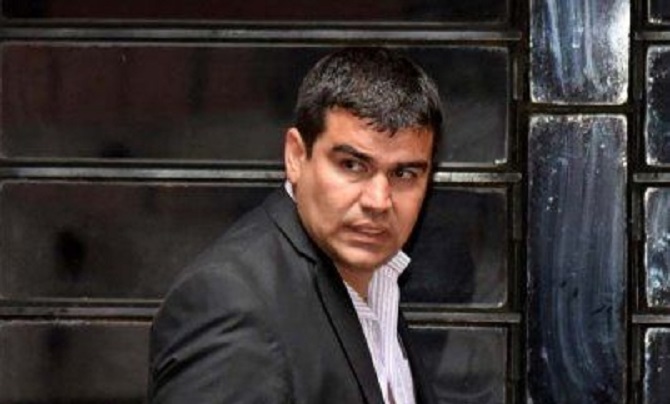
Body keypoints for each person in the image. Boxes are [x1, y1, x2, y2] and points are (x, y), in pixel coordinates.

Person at [149, 46, 443, 404]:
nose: (378, 201)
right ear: (296, 156)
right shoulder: (232, 302)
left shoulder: (377, 278)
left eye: (404, 173)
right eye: (352, 165)